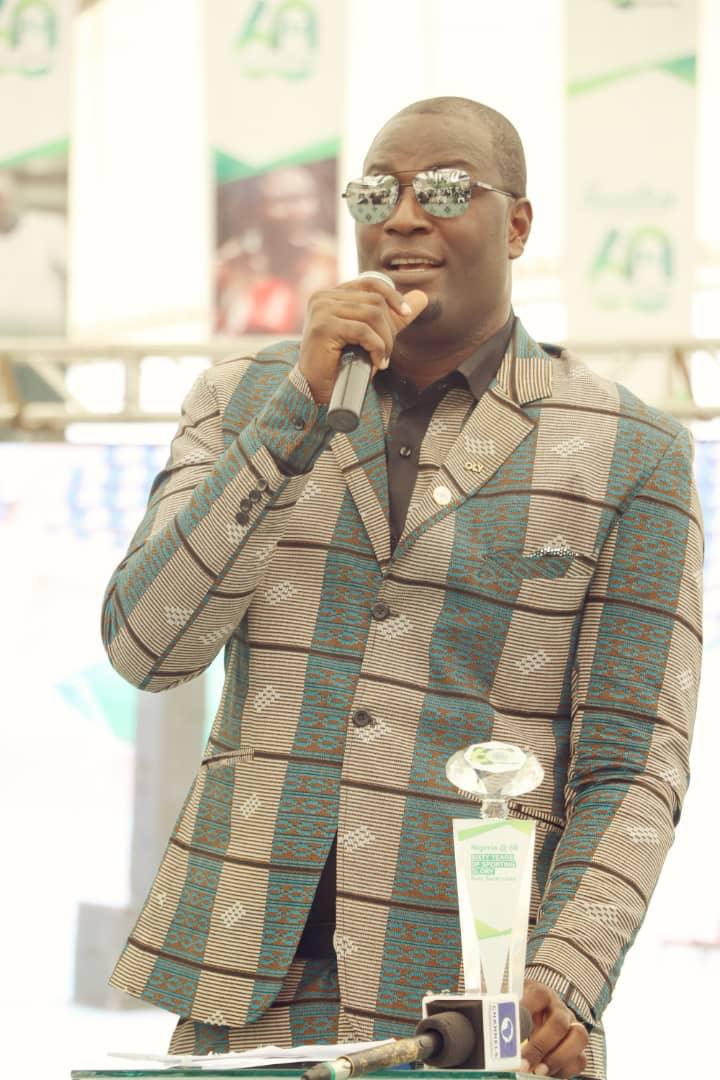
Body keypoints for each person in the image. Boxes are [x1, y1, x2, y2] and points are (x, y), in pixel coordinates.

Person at [102, 97, 703, 1080]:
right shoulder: (243, 400)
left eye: (449, 190)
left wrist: (569, 972)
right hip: (241, 982)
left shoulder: (632, 451)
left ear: (518, 224)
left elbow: (633, 764)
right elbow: (147, 645)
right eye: (379, 190)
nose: (406, 216)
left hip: (478, 997)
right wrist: (293, 415)